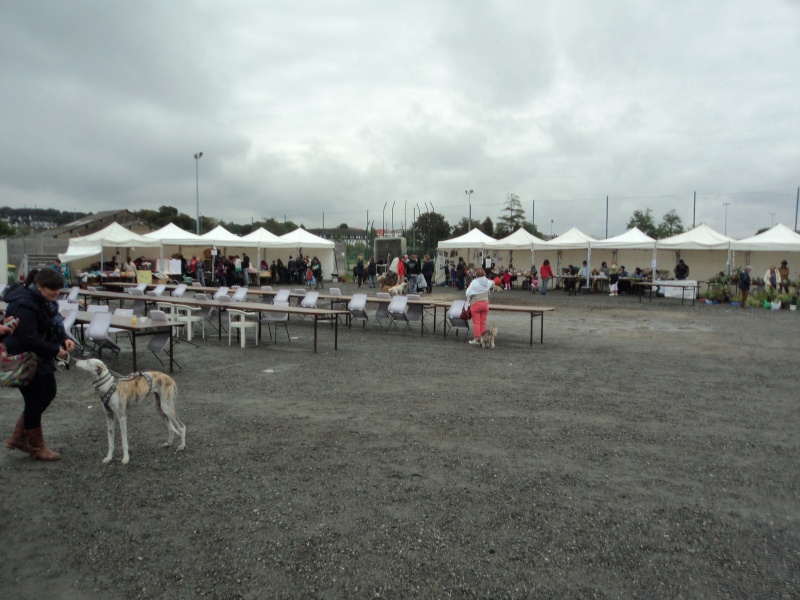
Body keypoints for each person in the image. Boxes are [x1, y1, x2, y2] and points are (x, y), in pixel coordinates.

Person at [4, 269, 75, 461]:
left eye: (58, 289)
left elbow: (52, 324)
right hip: (24, 356)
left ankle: (18, 437)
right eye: (52, 289)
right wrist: (55, 350)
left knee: (48, 393)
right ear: (38, 286)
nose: (56, 293)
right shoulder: (23, 304)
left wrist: (64, 339)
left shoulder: (45, 301)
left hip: (39, 355)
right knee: (36, 399)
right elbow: (29, 339)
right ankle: (37, 447)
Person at [465, 267, 492, 346]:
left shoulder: (474, 282)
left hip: (476, 304)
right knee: (483, 323)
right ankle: (484, 339)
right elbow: (493, 282)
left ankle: (477, 338)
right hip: (485, 303)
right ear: (484, 273)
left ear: (476, 274)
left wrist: (469, 300)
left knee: (477, 322)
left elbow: (468, 293)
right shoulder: (487, 281)